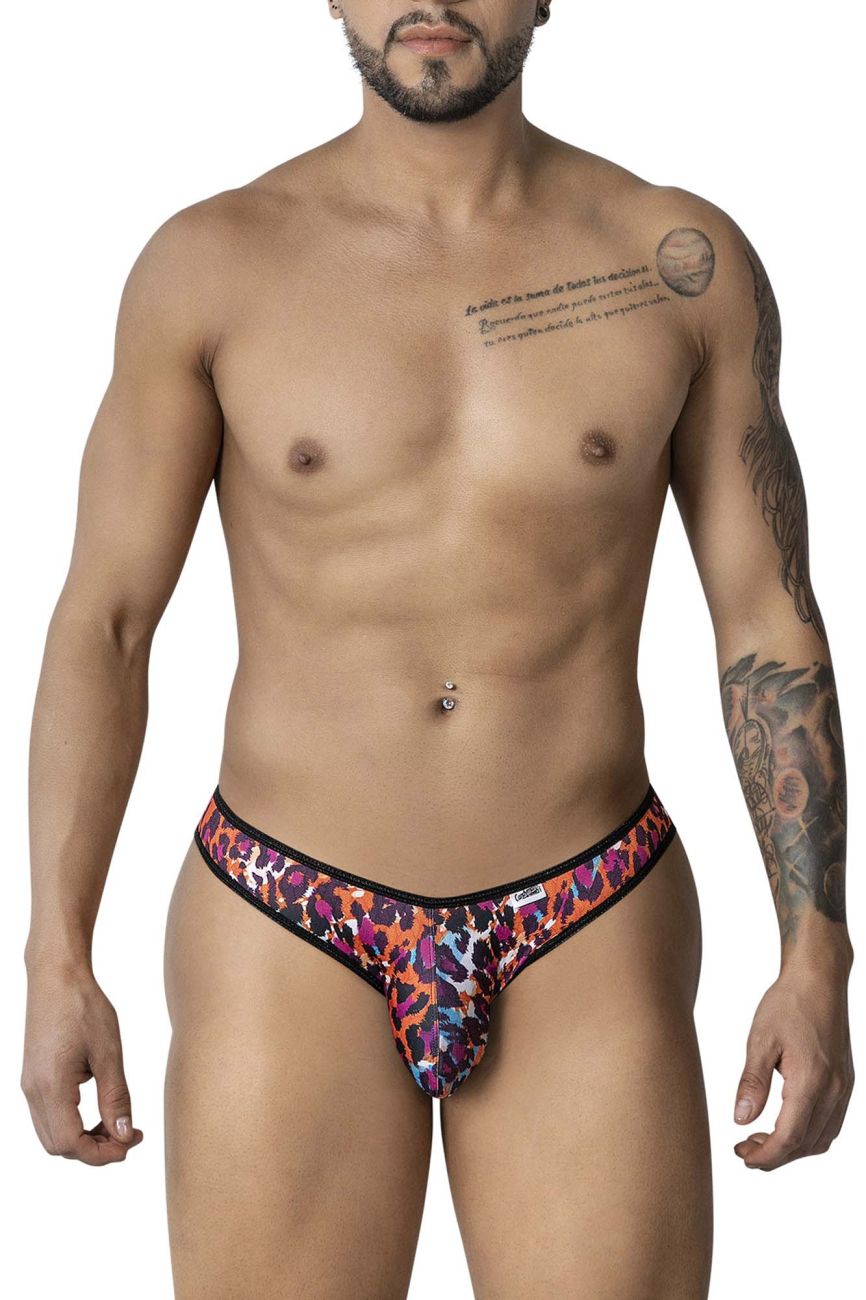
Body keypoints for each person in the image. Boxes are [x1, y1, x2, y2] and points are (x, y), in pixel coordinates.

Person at [22, 3, 854, 1297]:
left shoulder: (671, 259)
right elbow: (108, 621)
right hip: (284, 912)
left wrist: (815, 953)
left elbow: (765, 619)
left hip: (587, 912)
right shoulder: (214, 262)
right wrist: (56, 955)